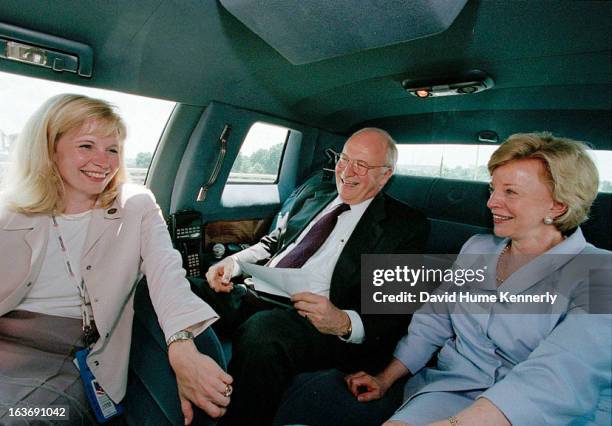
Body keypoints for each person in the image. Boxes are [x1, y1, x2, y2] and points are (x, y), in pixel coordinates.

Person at [337, 132, 611, 425]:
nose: (492, 202)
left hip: (545, 412)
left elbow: (560, 374)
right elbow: (433, 321)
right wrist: (385, 378)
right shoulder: (477, 248)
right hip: (454, 389)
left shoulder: (601, 272)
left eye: (510, 192)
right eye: (492, 189)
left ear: (558, 206)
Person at [0, 94, 232, 425]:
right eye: (87, 146)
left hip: (70, 357)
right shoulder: (10, 210)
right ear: (51, 149)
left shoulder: (135, 205)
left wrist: (181, 343)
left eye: (113, 149)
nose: (104, 161)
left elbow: (168, 275)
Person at [204, 128, 430, 425]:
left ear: (385, 175)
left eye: (361, 165)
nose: (346, 172)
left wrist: (343, 321)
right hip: (256, 291)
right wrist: (232, 264)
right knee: (188, 290)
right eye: (344, 159)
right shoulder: (315, 194)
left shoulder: (406, 226)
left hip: (317, 321)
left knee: (263, 333)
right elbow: (273, 242)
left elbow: (392, 308)